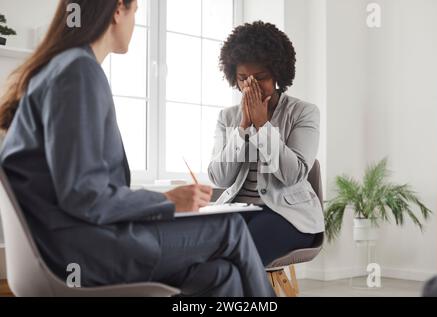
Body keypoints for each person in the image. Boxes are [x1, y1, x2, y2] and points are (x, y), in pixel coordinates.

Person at [0, 0, 274, 297]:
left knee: (220, 275)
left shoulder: (59, 69)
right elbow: (83, 195)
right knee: (230, 227)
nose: (133, 24)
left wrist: (166, 202)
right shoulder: (77, 70)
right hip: (77, 250)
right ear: (118, 9)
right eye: (135, 12)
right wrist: (168, 202)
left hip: (63, 245)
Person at [208, 21, 325, 266]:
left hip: (288, 214)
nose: (250, 86)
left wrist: (262, 126)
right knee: (199, 251)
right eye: (242, 78)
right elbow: (219, 178)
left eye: (260, 78)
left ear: (278, 74)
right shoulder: (227, 117)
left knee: (242, 254)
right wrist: (242, 128)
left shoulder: (304, 112)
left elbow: (293, 175)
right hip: (238, 209)